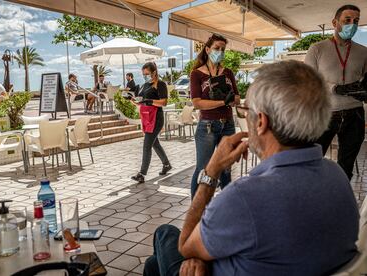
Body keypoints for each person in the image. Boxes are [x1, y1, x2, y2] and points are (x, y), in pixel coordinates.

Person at [143, 61, 359, 276]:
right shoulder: (337, 175)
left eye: (247, 110)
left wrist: (212, 170)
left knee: (165, 233)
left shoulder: (244, 198)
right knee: (154, 265)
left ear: (261, 122)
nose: (246, 116)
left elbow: (186, 246)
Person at [305, 4, 367, 180]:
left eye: (356, 21)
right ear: (335, 22)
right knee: (312, 163)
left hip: (355, 114)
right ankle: (311, 200)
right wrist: (335, 88)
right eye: (347, 20)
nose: (352, 25)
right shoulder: (317, 49)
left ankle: (339, 203)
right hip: (325, 113)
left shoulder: (364, 52)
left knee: (345, 169)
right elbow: (308, 80)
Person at [189, 33, 239, 198]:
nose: (220, 52)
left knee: (226, 168)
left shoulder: (228, 73)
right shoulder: (197, 74)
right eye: (217, 48)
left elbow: (237, 98)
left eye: (223, 49)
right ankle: (196, 212)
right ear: (208, 49)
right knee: (203, 168)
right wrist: (223, 102)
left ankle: (226, 206)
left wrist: (232, 100)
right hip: (207, 126)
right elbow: (197, 102)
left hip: (228, 125)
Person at [130, 62, 172, 183]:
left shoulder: (160, 84)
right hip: (146, 117)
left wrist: (150, 101)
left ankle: (142, 173)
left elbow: (164, 102)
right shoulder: (144, 85)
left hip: (156, 118)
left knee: (147, 144)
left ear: (154, 72)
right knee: (155, 143)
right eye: (143, 74)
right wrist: (132, 100)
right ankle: (166, 164)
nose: (145, 76)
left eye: (147, 74)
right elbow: (140, 102)